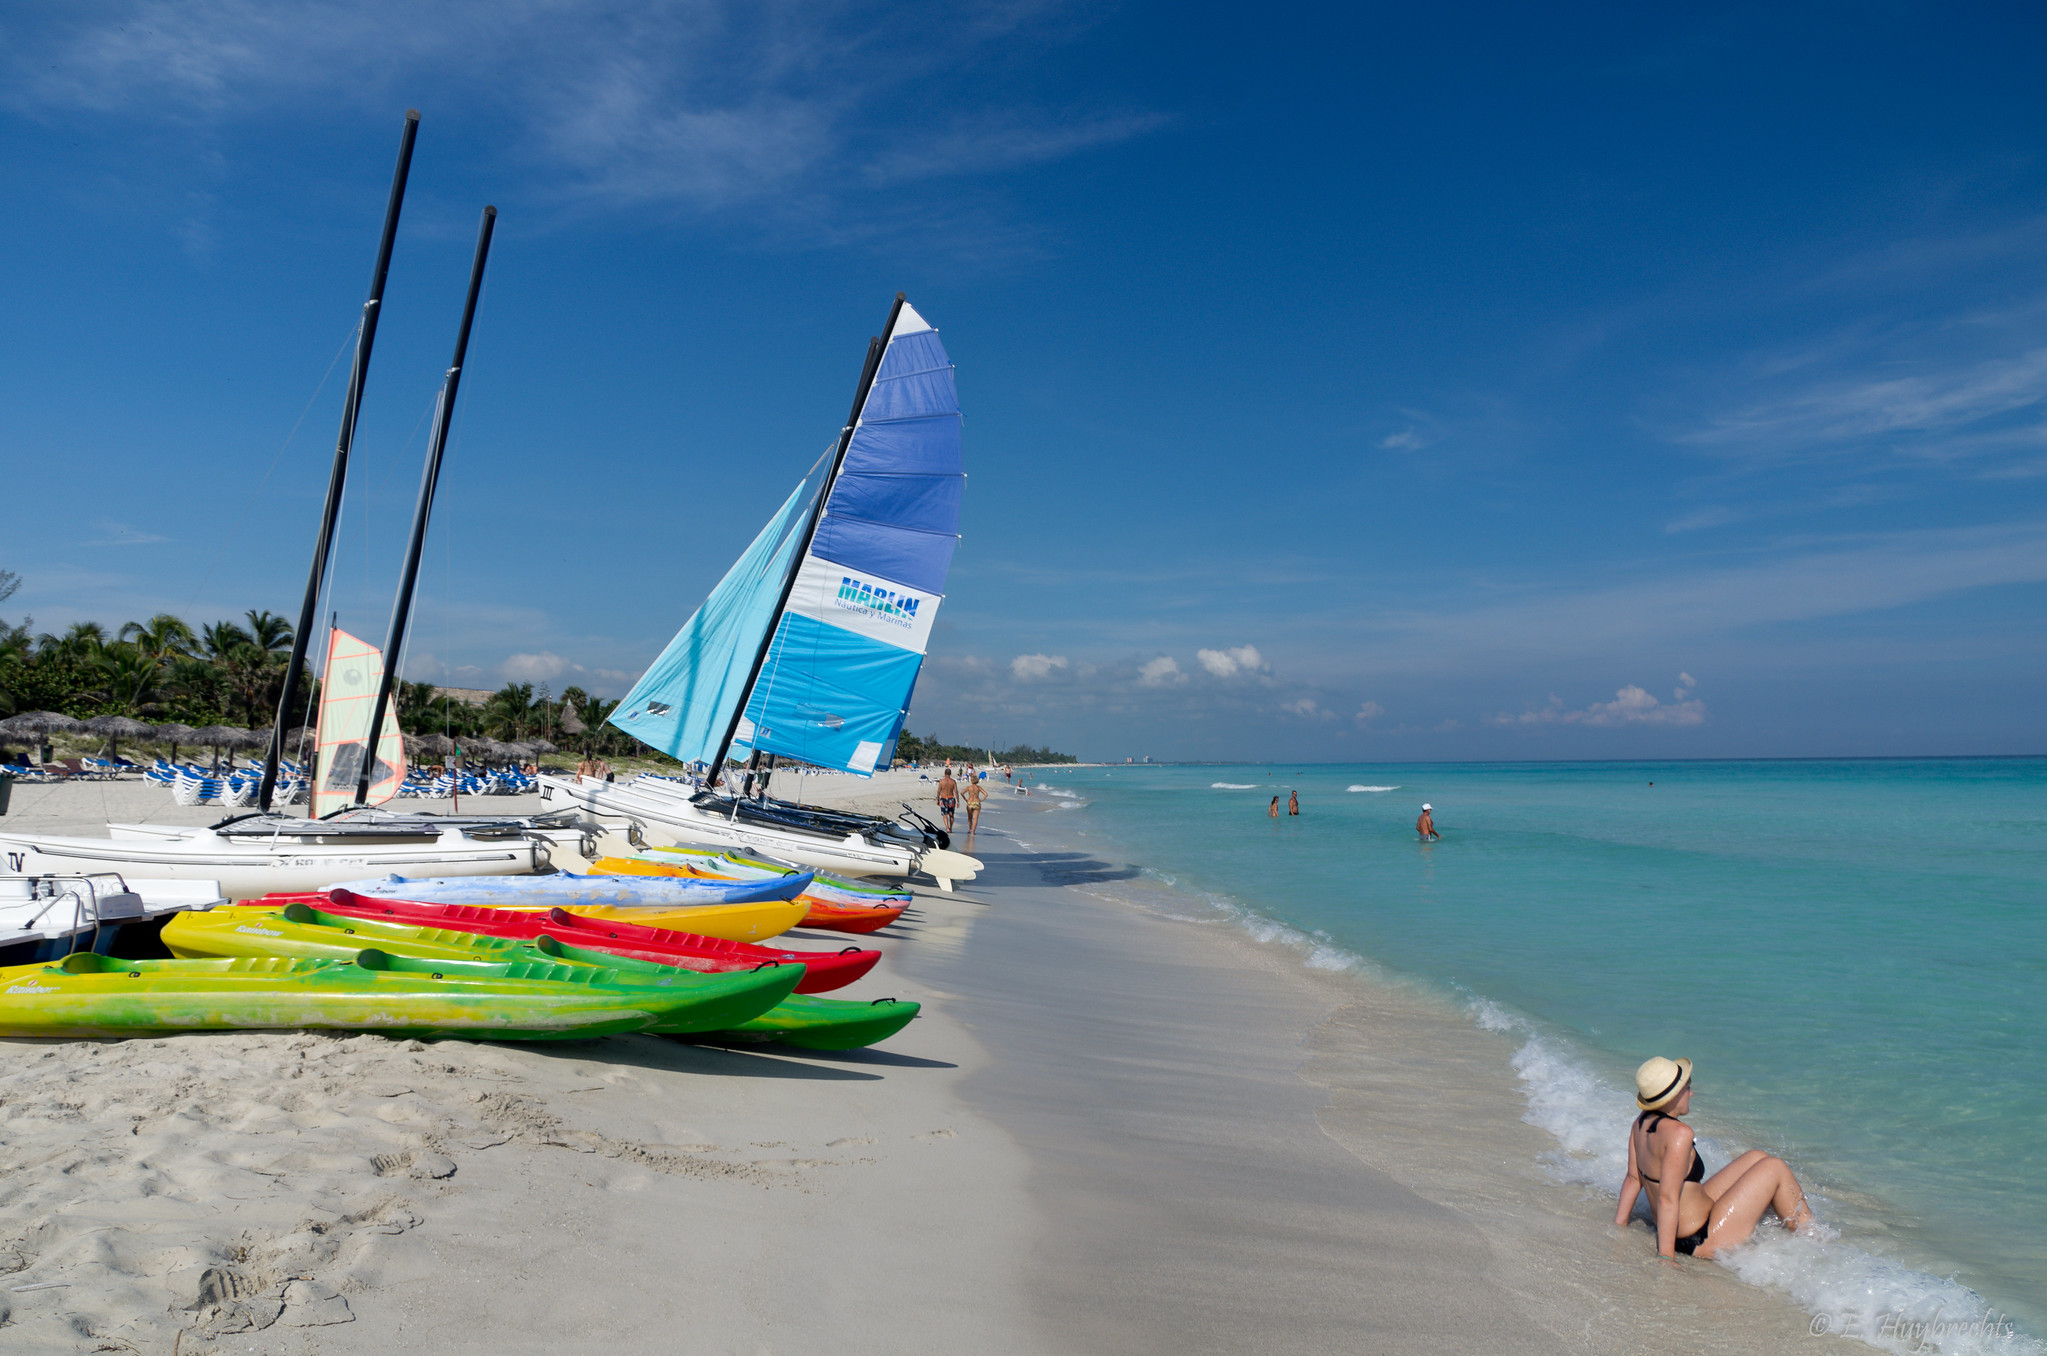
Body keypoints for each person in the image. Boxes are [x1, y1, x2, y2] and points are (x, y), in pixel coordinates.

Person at [1615, 1057, 1812, 1260]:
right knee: (1775, 1167)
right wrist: (1665, 1256)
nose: (1691, 1093)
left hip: (1681, 1225)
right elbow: (1667, 1198)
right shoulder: (1680, 1134)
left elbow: (1633, 1179)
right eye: (1687, 1088)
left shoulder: (1640, 1124)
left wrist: (1619, 1226)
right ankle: (1814, 1240)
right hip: (1701, 1239)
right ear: (1672, 1097)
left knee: (1757, 1157)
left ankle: (1780, 1224)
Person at [963, 773, 988, 837]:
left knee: (969, 818)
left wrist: (966, 799)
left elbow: (962, 793)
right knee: (975, 818)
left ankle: (970, 829)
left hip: (970, 802)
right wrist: (981, 800)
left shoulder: (969, 787)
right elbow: (986, 794)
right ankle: (973, 832)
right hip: (976, 802)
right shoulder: (978, 787)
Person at [936, 767, 959, 833]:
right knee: (951, 814)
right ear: (950, 774)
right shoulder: (953, 782)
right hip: (951, 798)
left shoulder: (941, 781)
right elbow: (956, 792)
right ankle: (950, 828)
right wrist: (958, 801)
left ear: (945, 773)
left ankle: (947, 828)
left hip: (943, 798)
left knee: (945, 814)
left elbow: (938, 791)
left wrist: (937, 799)